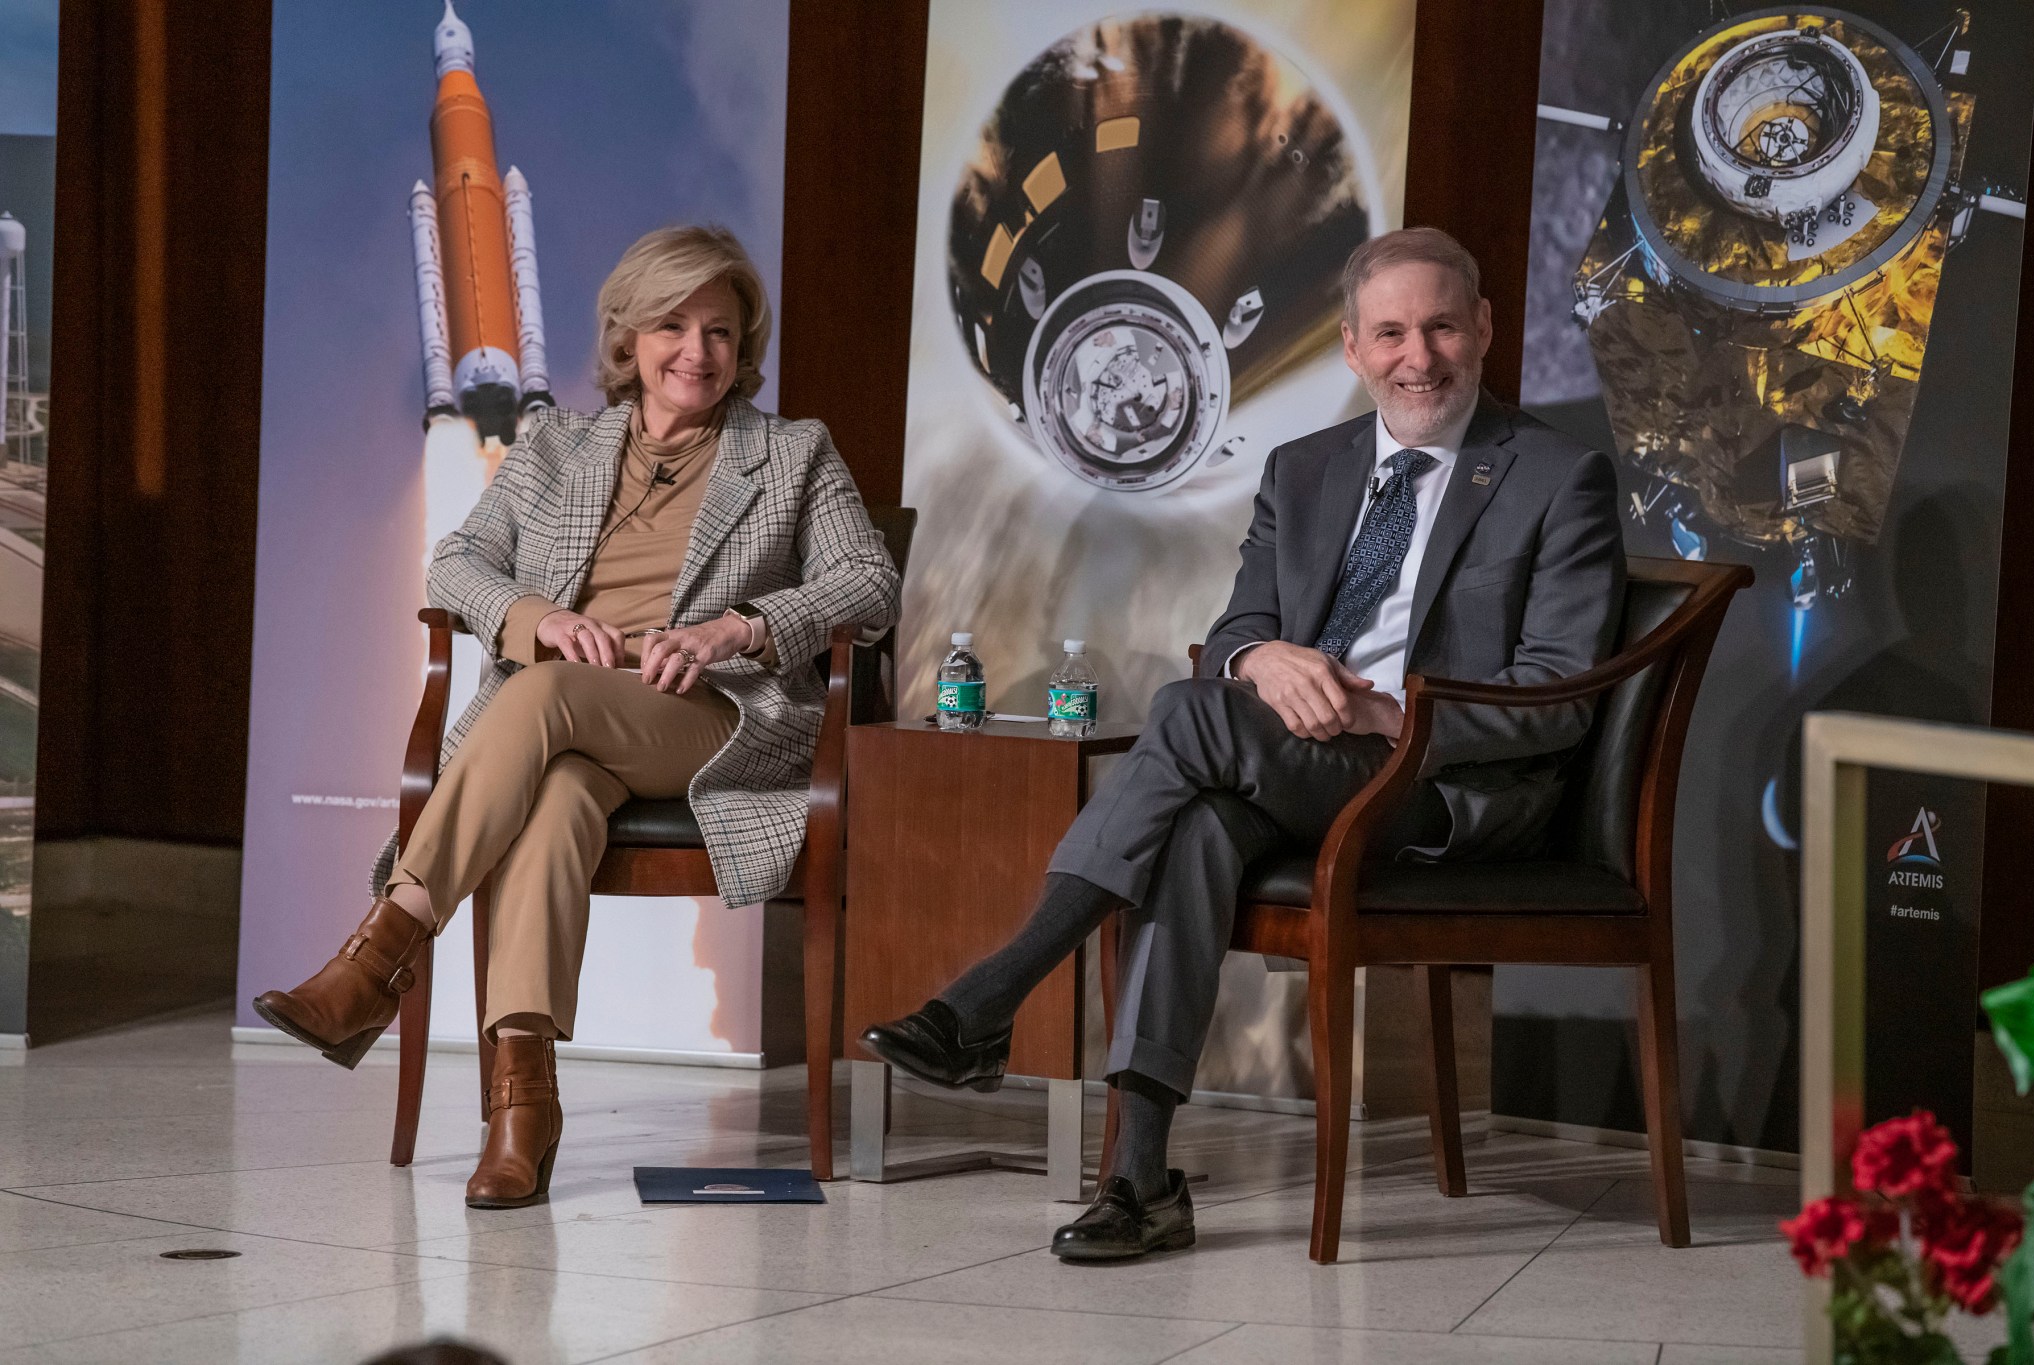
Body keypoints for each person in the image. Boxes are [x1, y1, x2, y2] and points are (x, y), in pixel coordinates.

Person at [862, 226, 1625, 1261]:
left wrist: (1385, 713)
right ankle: (1137, 1181)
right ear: (1351, 348)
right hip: (1295, 765)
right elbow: (1234, 632)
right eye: (1390, 332)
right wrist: (1259, 660)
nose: (1419, 357)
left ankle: (994, 995)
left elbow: (1556, 700)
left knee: (1182, 717)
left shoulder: (1551, 475)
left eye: (1441, 327)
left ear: (1482, 327)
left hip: (1441, 787)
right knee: (1200, 827)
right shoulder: (1305, 469)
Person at [254, 225, 900, 1209]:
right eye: (672, 325)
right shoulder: (556, 445)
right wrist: (538, 615)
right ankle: (523, 1110)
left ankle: (382, 951)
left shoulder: (790, 451)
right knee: (552, 799)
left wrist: (739, 628)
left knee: (540, 693)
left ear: (743, 347)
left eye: (719, 331)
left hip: (712, 717)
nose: (697, 350)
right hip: (572, 725)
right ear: (628, 339)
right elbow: (455, 563)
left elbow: (871, 582)